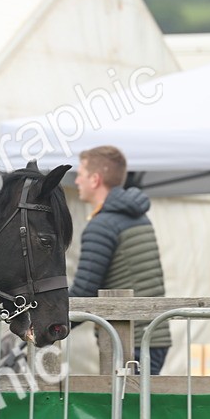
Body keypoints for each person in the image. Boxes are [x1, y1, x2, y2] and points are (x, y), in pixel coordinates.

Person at [69, 145, 172, 374]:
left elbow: (84, 293)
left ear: (95, 179)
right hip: (153, 336)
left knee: (123, 409)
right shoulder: (138, 216)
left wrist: (48, 325)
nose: (76, 181)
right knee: (137, 408)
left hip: (129, 341)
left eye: (80, 174)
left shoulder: (102, 225)